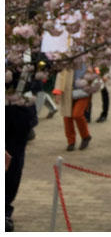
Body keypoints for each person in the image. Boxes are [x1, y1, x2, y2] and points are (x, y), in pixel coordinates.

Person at [5, 48, 40, 232]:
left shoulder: (25, 48)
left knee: (13, 163)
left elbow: (37, 79)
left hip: (18, 115)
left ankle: (5, 209)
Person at [54, 64, 93, 151]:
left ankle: (86, 136)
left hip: (83, 93)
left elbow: (94, 76)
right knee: (67, 117)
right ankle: (71, 142)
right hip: (68, 93)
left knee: (77, 114)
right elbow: (60, 76)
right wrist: (57, 92)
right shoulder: (66, 60)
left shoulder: (88, 60)